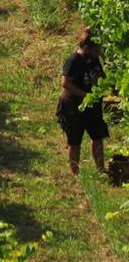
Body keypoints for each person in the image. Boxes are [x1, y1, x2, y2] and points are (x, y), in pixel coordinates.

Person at [57, 26, 108, 177]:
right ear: (89, 46)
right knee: (75, 141)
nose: (99, 51)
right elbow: (66, 83)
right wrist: (86, 95)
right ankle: (75, 174)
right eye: (97, 47)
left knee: (97, 137)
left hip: (92, 105)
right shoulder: (74, 60)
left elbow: (101, 77)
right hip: (74, 106)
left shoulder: (94, 59)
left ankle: (101, 169)